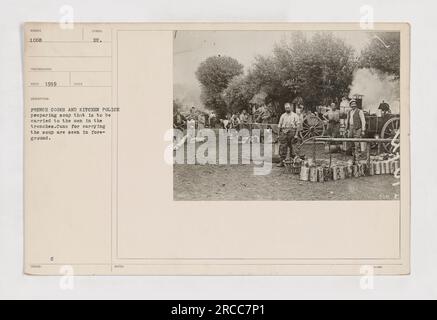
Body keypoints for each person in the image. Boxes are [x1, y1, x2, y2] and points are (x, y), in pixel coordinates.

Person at [277, 103, 300, 167]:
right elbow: (279, 125)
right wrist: (278, 134)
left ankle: (293, 162)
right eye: (286, 108)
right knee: (282, 147)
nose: (287, 109)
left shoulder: (295, 115)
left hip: (292, 132)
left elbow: (298, 125)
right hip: (284, 132)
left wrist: (296, 135)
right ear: (285, 108)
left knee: (293, 148)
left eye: (288, 107)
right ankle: (282, 162)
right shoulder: (283, 116)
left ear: (291, 108)